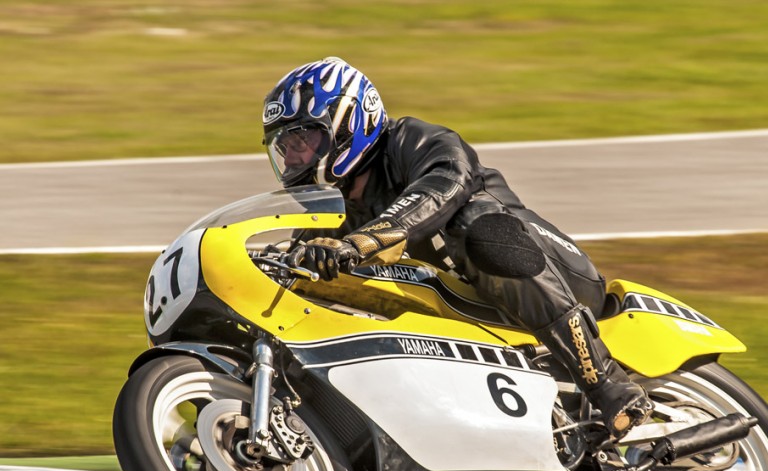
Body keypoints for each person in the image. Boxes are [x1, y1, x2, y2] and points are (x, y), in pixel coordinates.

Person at [262, 57, 652, 442]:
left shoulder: (413, 140)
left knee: (477, 226)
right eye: (284, 146)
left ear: (350, 123)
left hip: (557, 273)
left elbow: (448, 181)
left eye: (303, 139)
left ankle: (608, 383)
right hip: (473, 313)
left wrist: (365, 240)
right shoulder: (334, 214)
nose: (293, 157)